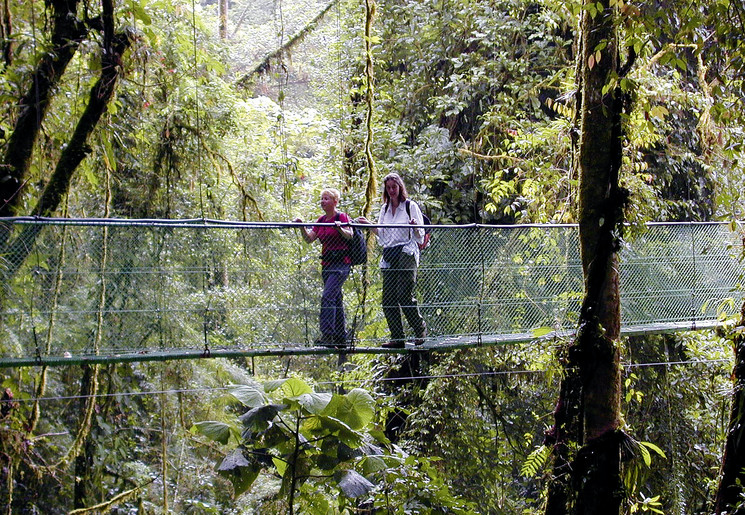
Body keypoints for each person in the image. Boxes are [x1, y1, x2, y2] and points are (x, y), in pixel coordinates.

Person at [358, 173, 427, 348]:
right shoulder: (384, 209)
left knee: (403, 294)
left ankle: (420, 329)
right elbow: (382, 233)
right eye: (388, 188)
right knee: (388, 299)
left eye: (394, 187)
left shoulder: (410, 206)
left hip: (406, 252)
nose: (391, 191)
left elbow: (421, 234)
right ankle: (397, 337)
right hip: (390, 253)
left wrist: (414, 226)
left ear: (400, 187)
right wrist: (367, 224)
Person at [294, 188, 353, 348]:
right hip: (327, 264)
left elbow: (350, 234)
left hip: (341, 264)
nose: (323, 201)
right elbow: (309, 239)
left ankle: (328, 335)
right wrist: (301, 228)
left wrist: (339, 228)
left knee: (328, 296)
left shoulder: (341, 217)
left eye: (326, 198)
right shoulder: (321, 220)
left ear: (335, 201)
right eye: (322, 198)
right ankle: (341, 338)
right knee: (336, 299)